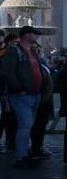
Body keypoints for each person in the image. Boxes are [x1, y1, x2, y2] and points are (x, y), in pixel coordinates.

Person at [0, 26, 47, 168]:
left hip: (35, 93)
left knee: (28, 125)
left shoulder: (32, 51)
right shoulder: (14, 51)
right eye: (35, 34)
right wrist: (18, 88)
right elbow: (7, 72)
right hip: (22, 95)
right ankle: (21, 156)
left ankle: (25, 153)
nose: (37, 36)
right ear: (26, 35)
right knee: (25, 125)